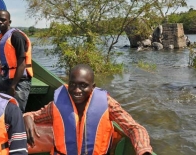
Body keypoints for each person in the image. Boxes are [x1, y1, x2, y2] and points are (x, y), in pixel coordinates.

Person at [23, 64, 153, 155]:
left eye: (83, 86)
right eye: (73, 84)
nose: (77, 90)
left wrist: (144, 150)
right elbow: (35, 115)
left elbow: (133, 127)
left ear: (93, 86)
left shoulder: (107, 103)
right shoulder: (57, 105)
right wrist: (28, 117)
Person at [0, 10, 33, 113]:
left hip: (20, 80)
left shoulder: (16, 36)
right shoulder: (0, 39)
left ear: (9, 22)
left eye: (3, 20)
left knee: (16, 111)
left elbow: (21, 64)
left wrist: (12, 86)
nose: (0, 22)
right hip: (6, 77)